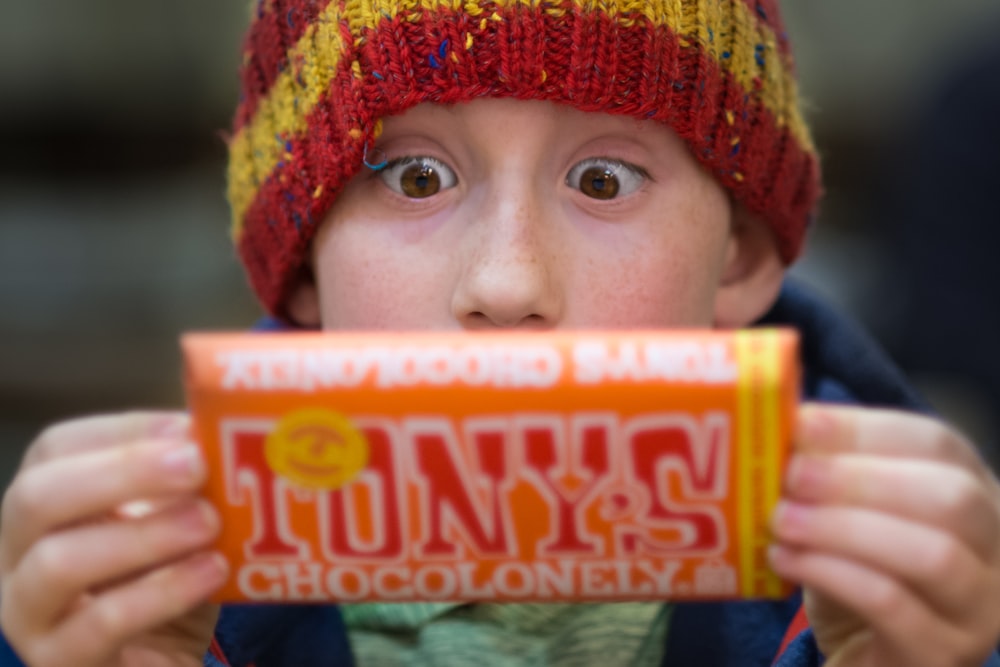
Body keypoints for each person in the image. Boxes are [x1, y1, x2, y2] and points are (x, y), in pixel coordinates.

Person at [1, 0, 999, 665]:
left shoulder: (925, 610)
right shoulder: (113, 605)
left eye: (603, 180)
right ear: (304, 265)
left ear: (734, 260)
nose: (506, 281)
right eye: (416, 176)